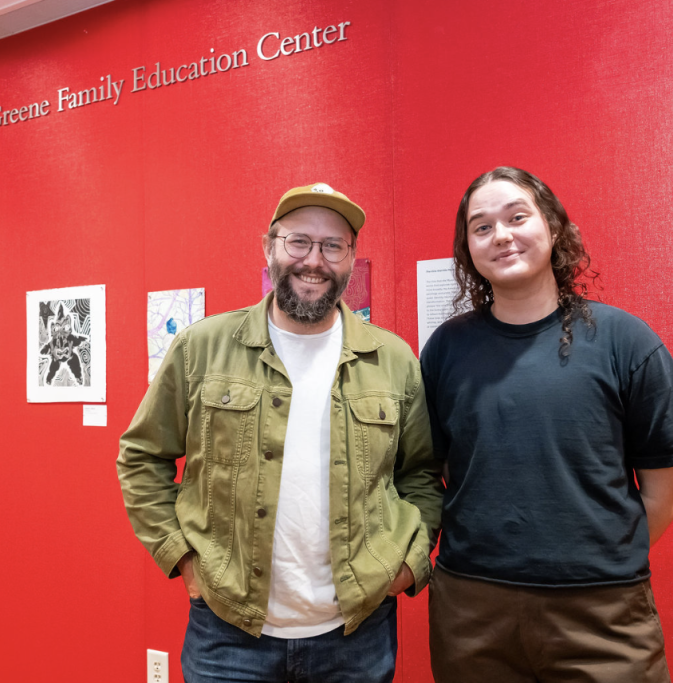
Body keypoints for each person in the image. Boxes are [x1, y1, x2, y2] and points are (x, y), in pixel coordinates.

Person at [118, 183, 442, 682]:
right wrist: (181, 558)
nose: (314, 260)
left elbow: (421, 473)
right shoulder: (201, 348)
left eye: (332, 245)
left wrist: (408, 566)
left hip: (357, 636)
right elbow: (141, 456)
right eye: (298, 242)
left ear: (351, 259)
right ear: (268, 247)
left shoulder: (393, 360)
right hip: (229, 635)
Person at [421, 167, 673, 683]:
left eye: (517, 217)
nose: (502, 235)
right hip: (471, 609)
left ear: (553, 227)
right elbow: (435, 468)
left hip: (602, 613)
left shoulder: (625, 340)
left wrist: (600, 562)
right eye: (481, 226)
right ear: (467, 248)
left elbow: (670, 493)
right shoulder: (446, 348)